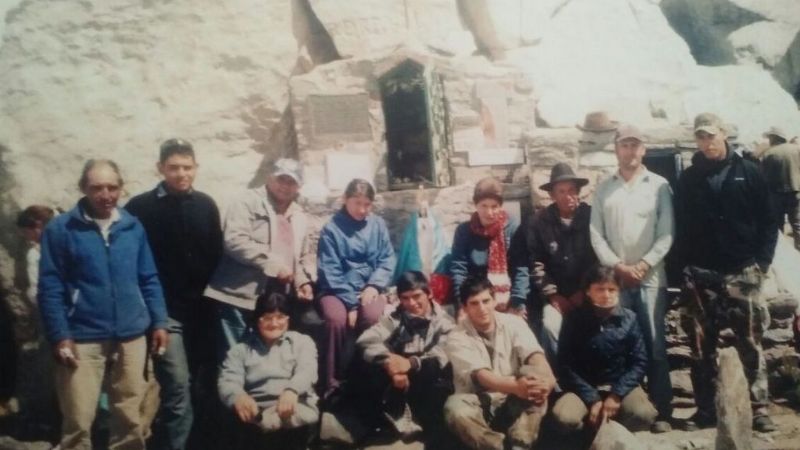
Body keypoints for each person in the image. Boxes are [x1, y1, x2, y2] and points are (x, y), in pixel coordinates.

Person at [38, 159, 168, 450]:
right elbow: (50, 287)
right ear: (83, 188)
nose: (106, 194)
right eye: (97, 187)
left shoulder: (132, 227)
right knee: (78, 417)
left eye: (112, 187)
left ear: (121, 188)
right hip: (82, 335)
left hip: (131, 334)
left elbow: (148, 277)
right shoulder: (61, 229)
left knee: (129, 415)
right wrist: (60, 335)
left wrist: (159, 321)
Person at [675, 113, 778, 432]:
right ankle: (706, 409)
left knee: (750, 340)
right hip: (702, 274)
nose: (707, 142)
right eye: (701, 137)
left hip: (742, 272)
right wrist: (685, 271)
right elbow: (681, 228)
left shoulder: (749, 172)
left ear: (724, 134)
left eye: (711, 135)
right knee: (701, 346)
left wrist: (761, 264)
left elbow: (769, 221)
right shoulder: (689, 179)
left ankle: (759, 407)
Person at [125, 138, 223, 450]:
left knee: (204, 381)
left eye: (187, 167)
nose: (181, 173)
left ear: (196, 168)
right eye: (174, 168)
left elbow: (215, 254)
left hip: (203, 312)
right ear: (160, 169)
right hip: (166, 314)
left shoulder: (206, 204)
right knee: (178, 386)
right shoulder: (140, 208)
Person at [589, 123, 674, 432]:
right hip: (617, 281)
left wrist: (644, 265)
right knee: (619, 342)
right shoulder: (604, 188)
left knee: (655, 344)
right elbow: (596, 236)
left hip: (650, 278)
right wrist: (619, 268)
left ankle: (663, 409)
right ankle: (628, 410)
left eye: (635, 145)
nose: (630, 151)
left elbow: (666, 234)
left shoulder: (660, 185)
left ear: (644, 149)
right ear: (616, 149)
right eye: (624, 145)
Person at [204, 158, 318, 361]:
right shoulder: (246, 201)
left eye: (291, 182)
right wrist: (273, 265)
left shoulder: (299, 215)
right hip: (240, 295)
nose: (285, 186)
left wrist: (303, 281)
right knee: (236, 357)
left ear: (299, 186)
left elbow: (301, 256)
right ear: (269, 177)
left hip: (274, 301)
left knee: (268, 359)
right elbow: (235, 241)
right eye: (281, 179)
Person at [443, 276, 555, 450]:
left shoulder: (514, 322)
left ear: (494, 300)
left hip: (513, 400)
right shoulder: (456, 336)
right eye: (474, 303)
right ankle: (497, 446)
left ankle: (520, 443)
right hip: (480, 402)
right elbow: (482, 376)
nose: (482, 308)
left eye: (486, 301)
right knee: (455, 408)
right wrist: (517, 387)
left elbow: (535, 355)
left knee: (536, 378)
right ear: (464, 307)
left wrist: (547, 380)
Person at [551, 266, 657, 436]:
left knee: (643, 414)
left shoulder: (630, 319)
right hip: (583, 387)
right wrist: (592, 399)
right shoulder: (574, 319)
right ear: (587, 291)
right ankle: (586, 435)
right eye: (600, 289)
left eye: (612, 289)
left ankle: (616, 431)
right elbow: (565, 364)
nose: (606, 295)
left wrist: (616, 395)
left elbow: (640, 362)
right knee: (564, 417)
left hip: (619, 385)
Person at [354, 271, 455, 445]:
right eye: (405, 298)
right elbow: (366, 340)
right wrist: (389, 364)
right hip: (398, 381)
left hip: (427, 381)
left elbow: (442, 354)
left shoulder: (445, 321)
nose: (412, 303)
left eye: (417, 296)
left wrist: (409, 364)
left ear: (429, 293)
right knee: (364, 363)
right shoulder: (395, 318)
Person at [316, 178, 396, 397]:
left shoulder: (377, 225)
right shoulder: (332, 229)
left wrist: (374, 285)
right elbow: (330, 269)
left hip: (370, 287)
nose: (362, 209)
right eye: (356, 203)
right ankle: (332, 383)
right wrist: (351, 303)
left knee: (371, 317)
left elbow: (387, 258)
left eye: (367, 204)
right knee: (335, 320)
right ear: (345, 200)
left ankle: (367, 377)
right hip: (336, 289)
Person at [218, 291, 318, 450]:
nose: (274, 323)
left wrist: (292, 390)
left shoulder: (302, 342)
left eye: (280, 317)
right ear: (257, 320)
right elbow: (228, 380)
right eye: (267, 318)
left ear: (288, 319)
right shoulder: (241, 350)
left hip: (294, 412)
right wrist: (238, 396)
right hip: (256, 416)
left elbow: (307, 370)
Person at [525, 163, 596, 361]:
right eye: (561, 191)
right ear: (553, 195)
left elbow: (599, 259)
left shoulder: (592, 217)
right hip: (556, 296)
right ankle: (558, 381)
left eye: (572, 190)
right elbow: (536, 262)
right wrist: (554, 295)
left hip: (589, 294)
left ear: (579, 192)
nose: (567, 196)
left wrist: (584, 292)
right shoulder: (539, 222)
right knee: (550, 327)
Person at [450, 177, 528, 313]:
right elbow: (459, 269)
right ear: (476, 206)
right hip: (476, 299)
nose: (489, 212)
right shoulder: (464, 231)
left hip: (509, 299)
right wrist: (462, 304)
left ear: (501, 206)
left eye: (494, 206)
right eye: (484, 206)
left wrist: (517, 301)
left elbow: (521, 267)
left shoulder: (513, 228)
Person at [758, 126, 800, 250]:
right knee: (797, 223)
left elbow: (763, 176)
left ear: (774, 138)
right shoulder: (797, 149)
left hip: (776, 194)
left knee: (778, 225)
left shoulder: (769, 153)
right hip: (796, 192)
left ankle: (783, 253)